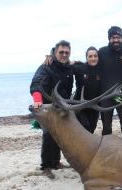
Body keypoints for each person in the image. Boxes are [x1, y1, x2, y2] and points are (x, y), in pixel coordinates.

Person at [30, 40, 73, 174]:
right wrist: (37, 100)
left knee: (59, 134)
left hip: (62, 107)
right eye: (61, 52)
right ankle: (46, 166)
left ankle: (55, 162)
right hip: (46, 107)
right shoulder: (45, 67)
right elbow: (36, 83)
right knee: (48, 134)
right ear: (54, 52)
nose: (64, 55)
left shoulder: (68, 67)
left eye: (67, 52)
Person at [98, 26, 122, 139]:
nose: (116, 40)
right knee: (106, 124)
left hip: (121, 95)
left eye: (118, 37)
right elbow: (90, 64)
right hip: (105, 95)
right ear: (109, 39)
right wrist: (73, 62)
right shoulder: (102, 51)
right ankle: (106, 147)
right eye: (113, 37)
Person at [72, 46, 101, 133]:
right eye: (90, 56)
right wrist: (51, 56)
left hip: (94, 106)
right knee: (85, 126)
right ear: (86, 58)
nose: (93, 58)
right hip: (80, 106)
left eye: (95, 56)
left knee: (92, 128)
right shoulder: (80, 68)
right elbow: (63, 66)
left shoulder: (101, 69)